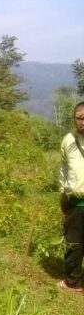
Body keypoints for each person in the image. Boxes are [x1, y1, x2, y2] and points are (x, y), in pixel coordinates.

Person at [58, 100, 84, 293]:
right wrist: (62, 192)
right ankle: (73, 282)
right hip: (76, 202)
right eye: (79, 118)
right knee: (74, 243)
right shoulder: (68, 141)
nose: (82, 121)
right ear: (74, 120)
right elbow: (64, 169)